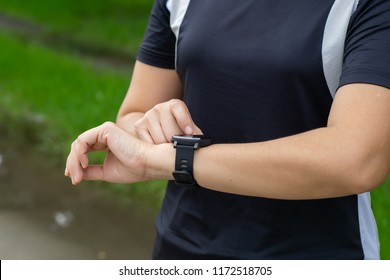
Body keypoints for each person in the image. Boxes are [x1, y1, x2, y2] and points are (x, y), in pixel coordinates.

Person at [65, 0, 390, 259]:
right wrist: (151, 126)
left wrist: (171, 161)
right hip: (179, 254)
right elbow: (133, 115)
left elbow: (357, 159)